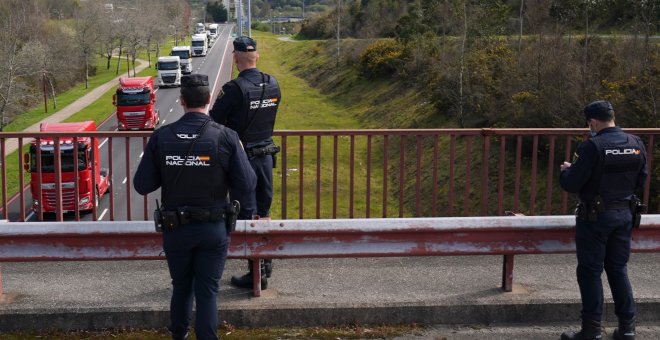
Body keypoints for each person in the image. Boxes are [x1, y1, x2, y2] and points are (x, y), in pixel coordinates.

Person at [133, 74, 256, 340]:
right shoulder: (226, 137)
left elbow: (142, 185)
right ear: (210, 100)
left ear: (181, 101)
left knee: (181, 288)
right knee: (208, 291)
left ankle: (179, 336)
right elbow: (246, 185)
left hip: (176, 229)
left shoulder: (162, 136)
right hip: (213, 229)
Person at [559, 100, 648, 340]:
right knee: (618, 269)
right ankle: (628, 329)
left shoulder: (592, 147)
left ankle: (591, 331)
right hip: (625, 215)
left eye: (589, 123)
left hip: (595, 218)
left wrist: (567, 170)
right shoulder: (636, 143)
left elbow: (571, 183)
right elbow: (641, 179)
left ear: (593, 121)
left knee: (589, 271)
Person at [209, 36, 281, 290]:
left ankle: (255, 274)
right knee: (265, 211)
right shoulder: (273, 84)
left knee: (247, 214)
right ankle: (265, 261)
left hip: (243, 159)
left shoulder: (234, 88)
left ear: (235, 58)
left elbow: (214, 119)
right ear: (257, 57)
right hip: (266, 156)